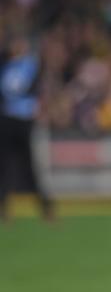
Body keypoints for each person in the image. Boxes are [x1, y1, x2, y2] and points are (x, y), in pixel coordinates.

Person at [0, 33, 54, 222]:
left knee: (31, 165)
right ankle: (4, 208)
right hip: (7, 120)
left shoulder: (31, 66)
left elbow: (34, 89)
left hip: (25, 121)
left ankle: (46, 207)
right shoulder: (5, 65)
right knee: (5, 165)